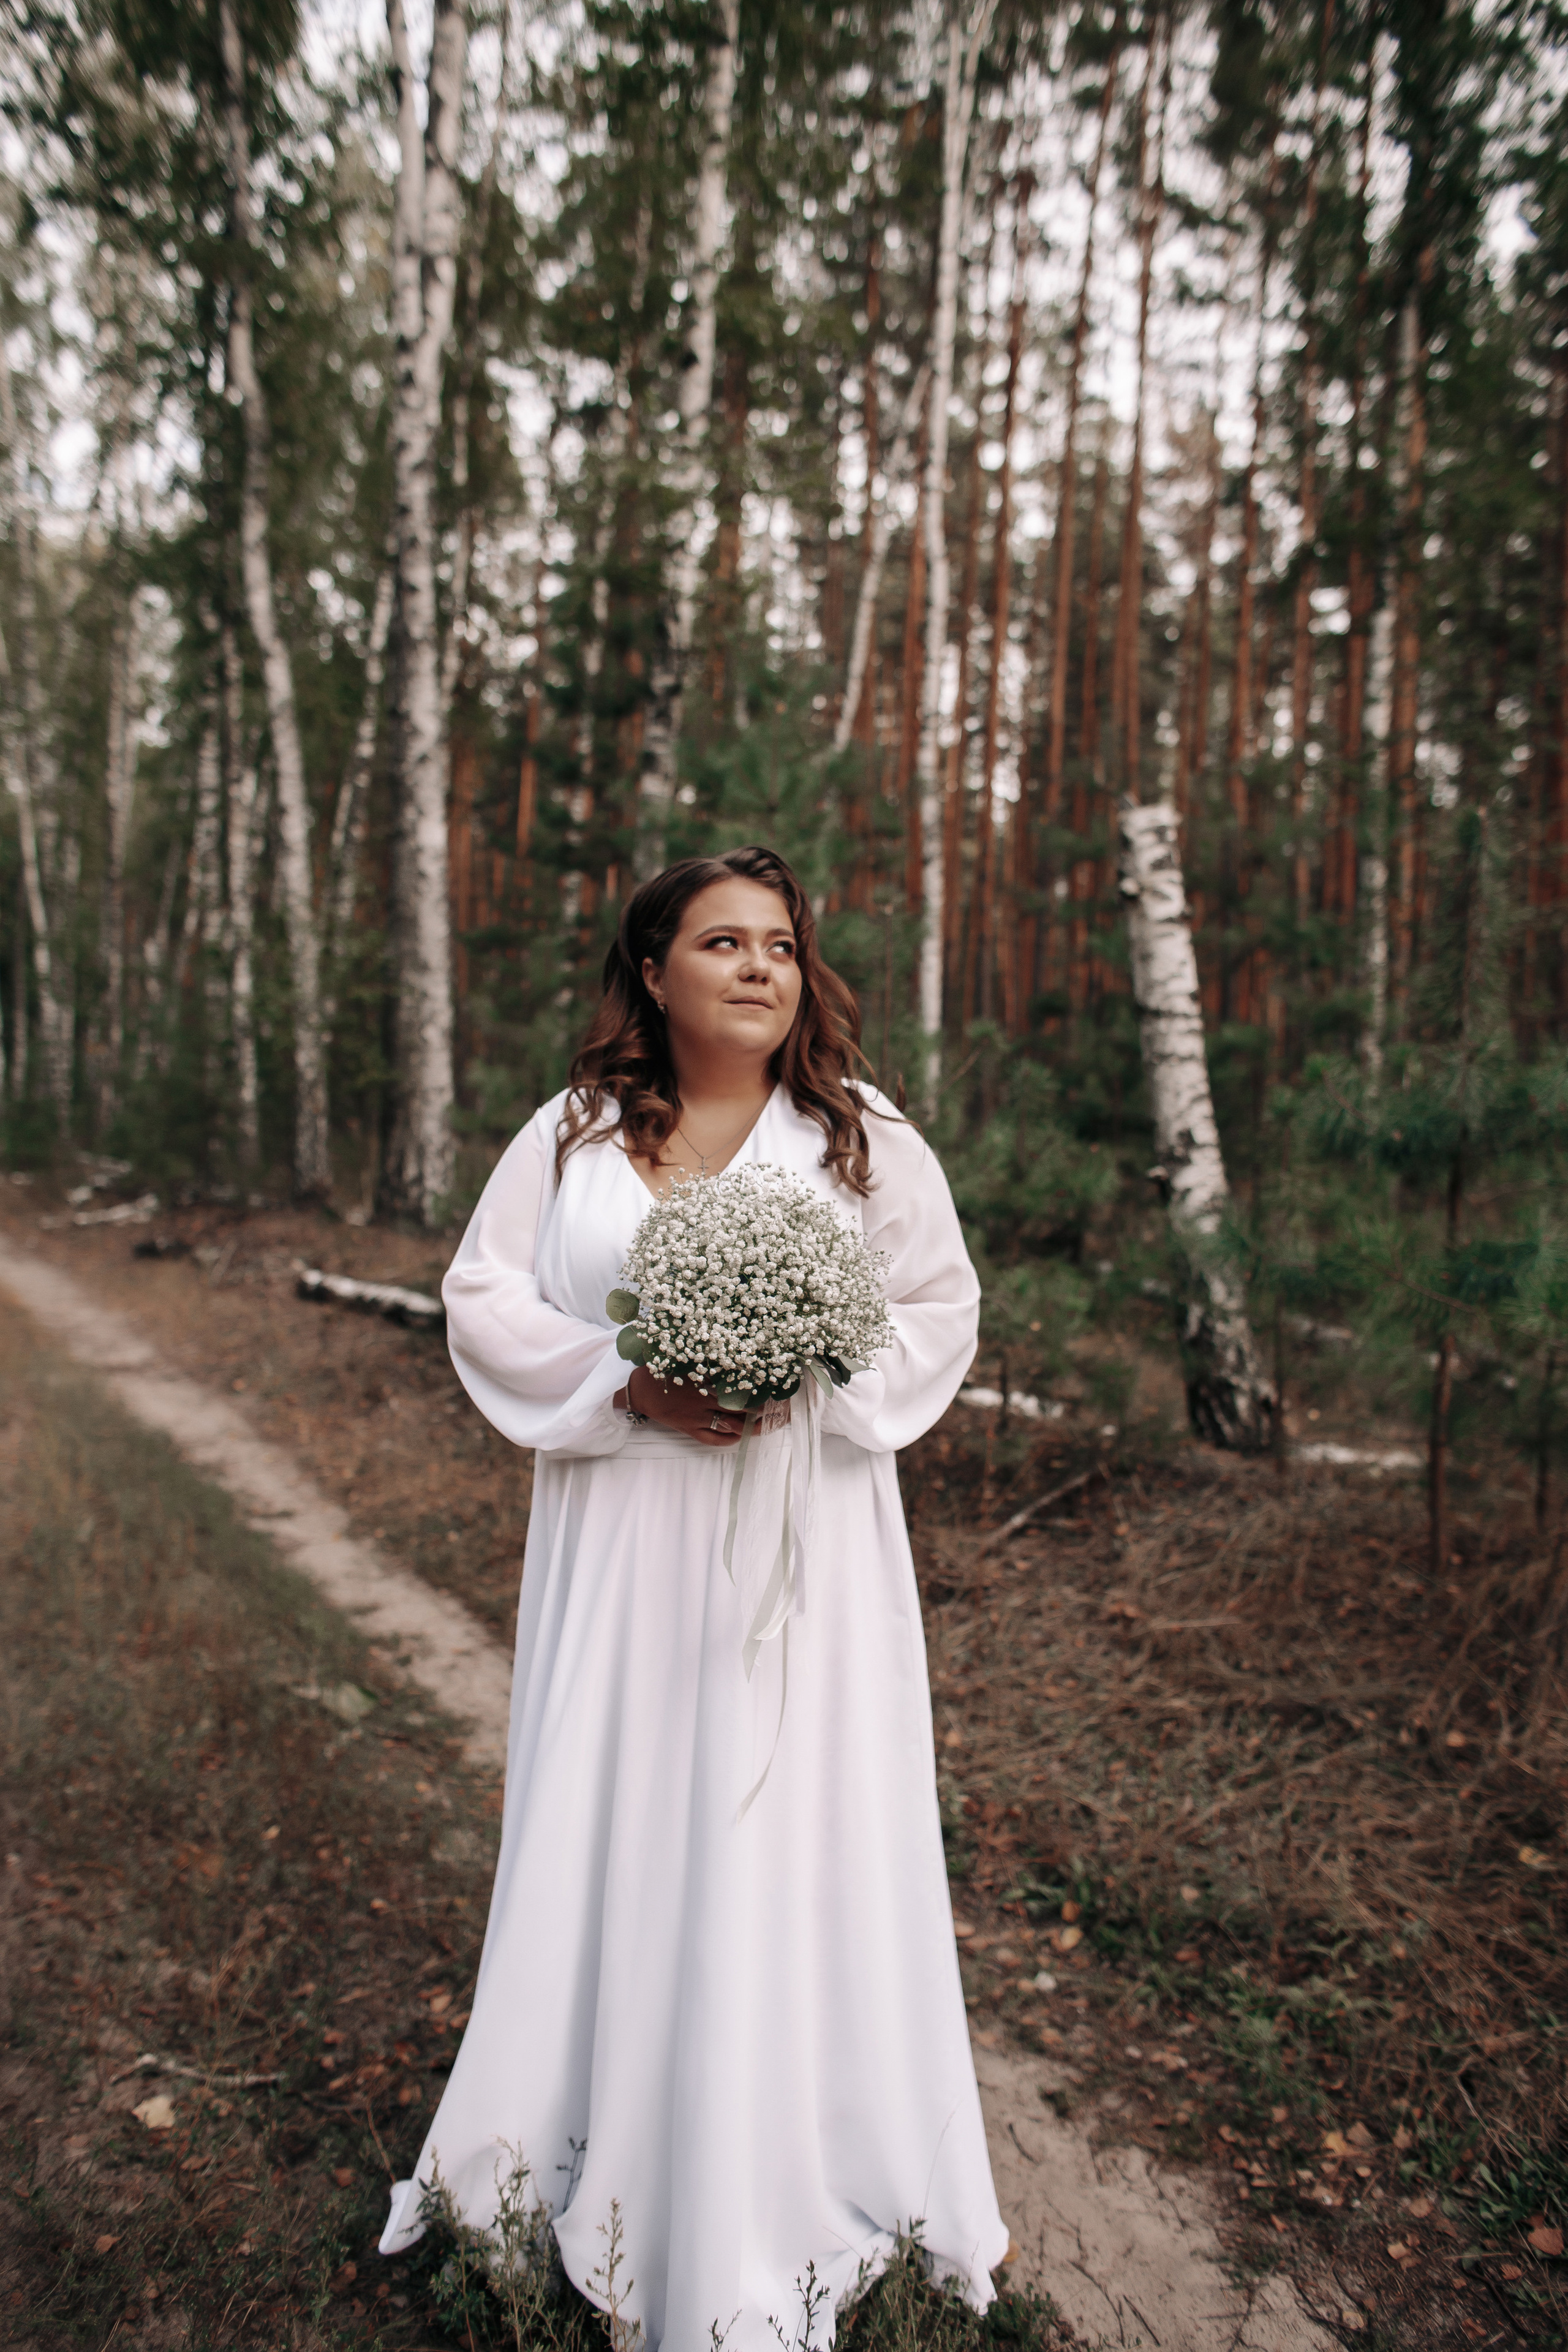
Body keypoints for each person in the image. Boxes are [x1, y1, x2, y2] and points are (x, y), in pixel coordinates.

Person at [379, 844, 1008, 2347]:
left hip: (810, 1552)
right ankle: (567, 2140)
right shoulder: (573, 1133)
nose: (755, 969)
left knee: (791, 1824)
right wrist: (625, 1378)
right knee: (620, 1809)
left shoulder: (862, 1142)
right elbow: (486, 1298)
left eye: (779, 947)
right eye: (718, 942)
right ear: (650, 972)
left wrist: (810, 1367)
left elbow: (937, 1310)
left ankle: (795, 2159)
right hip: (623, 1535)